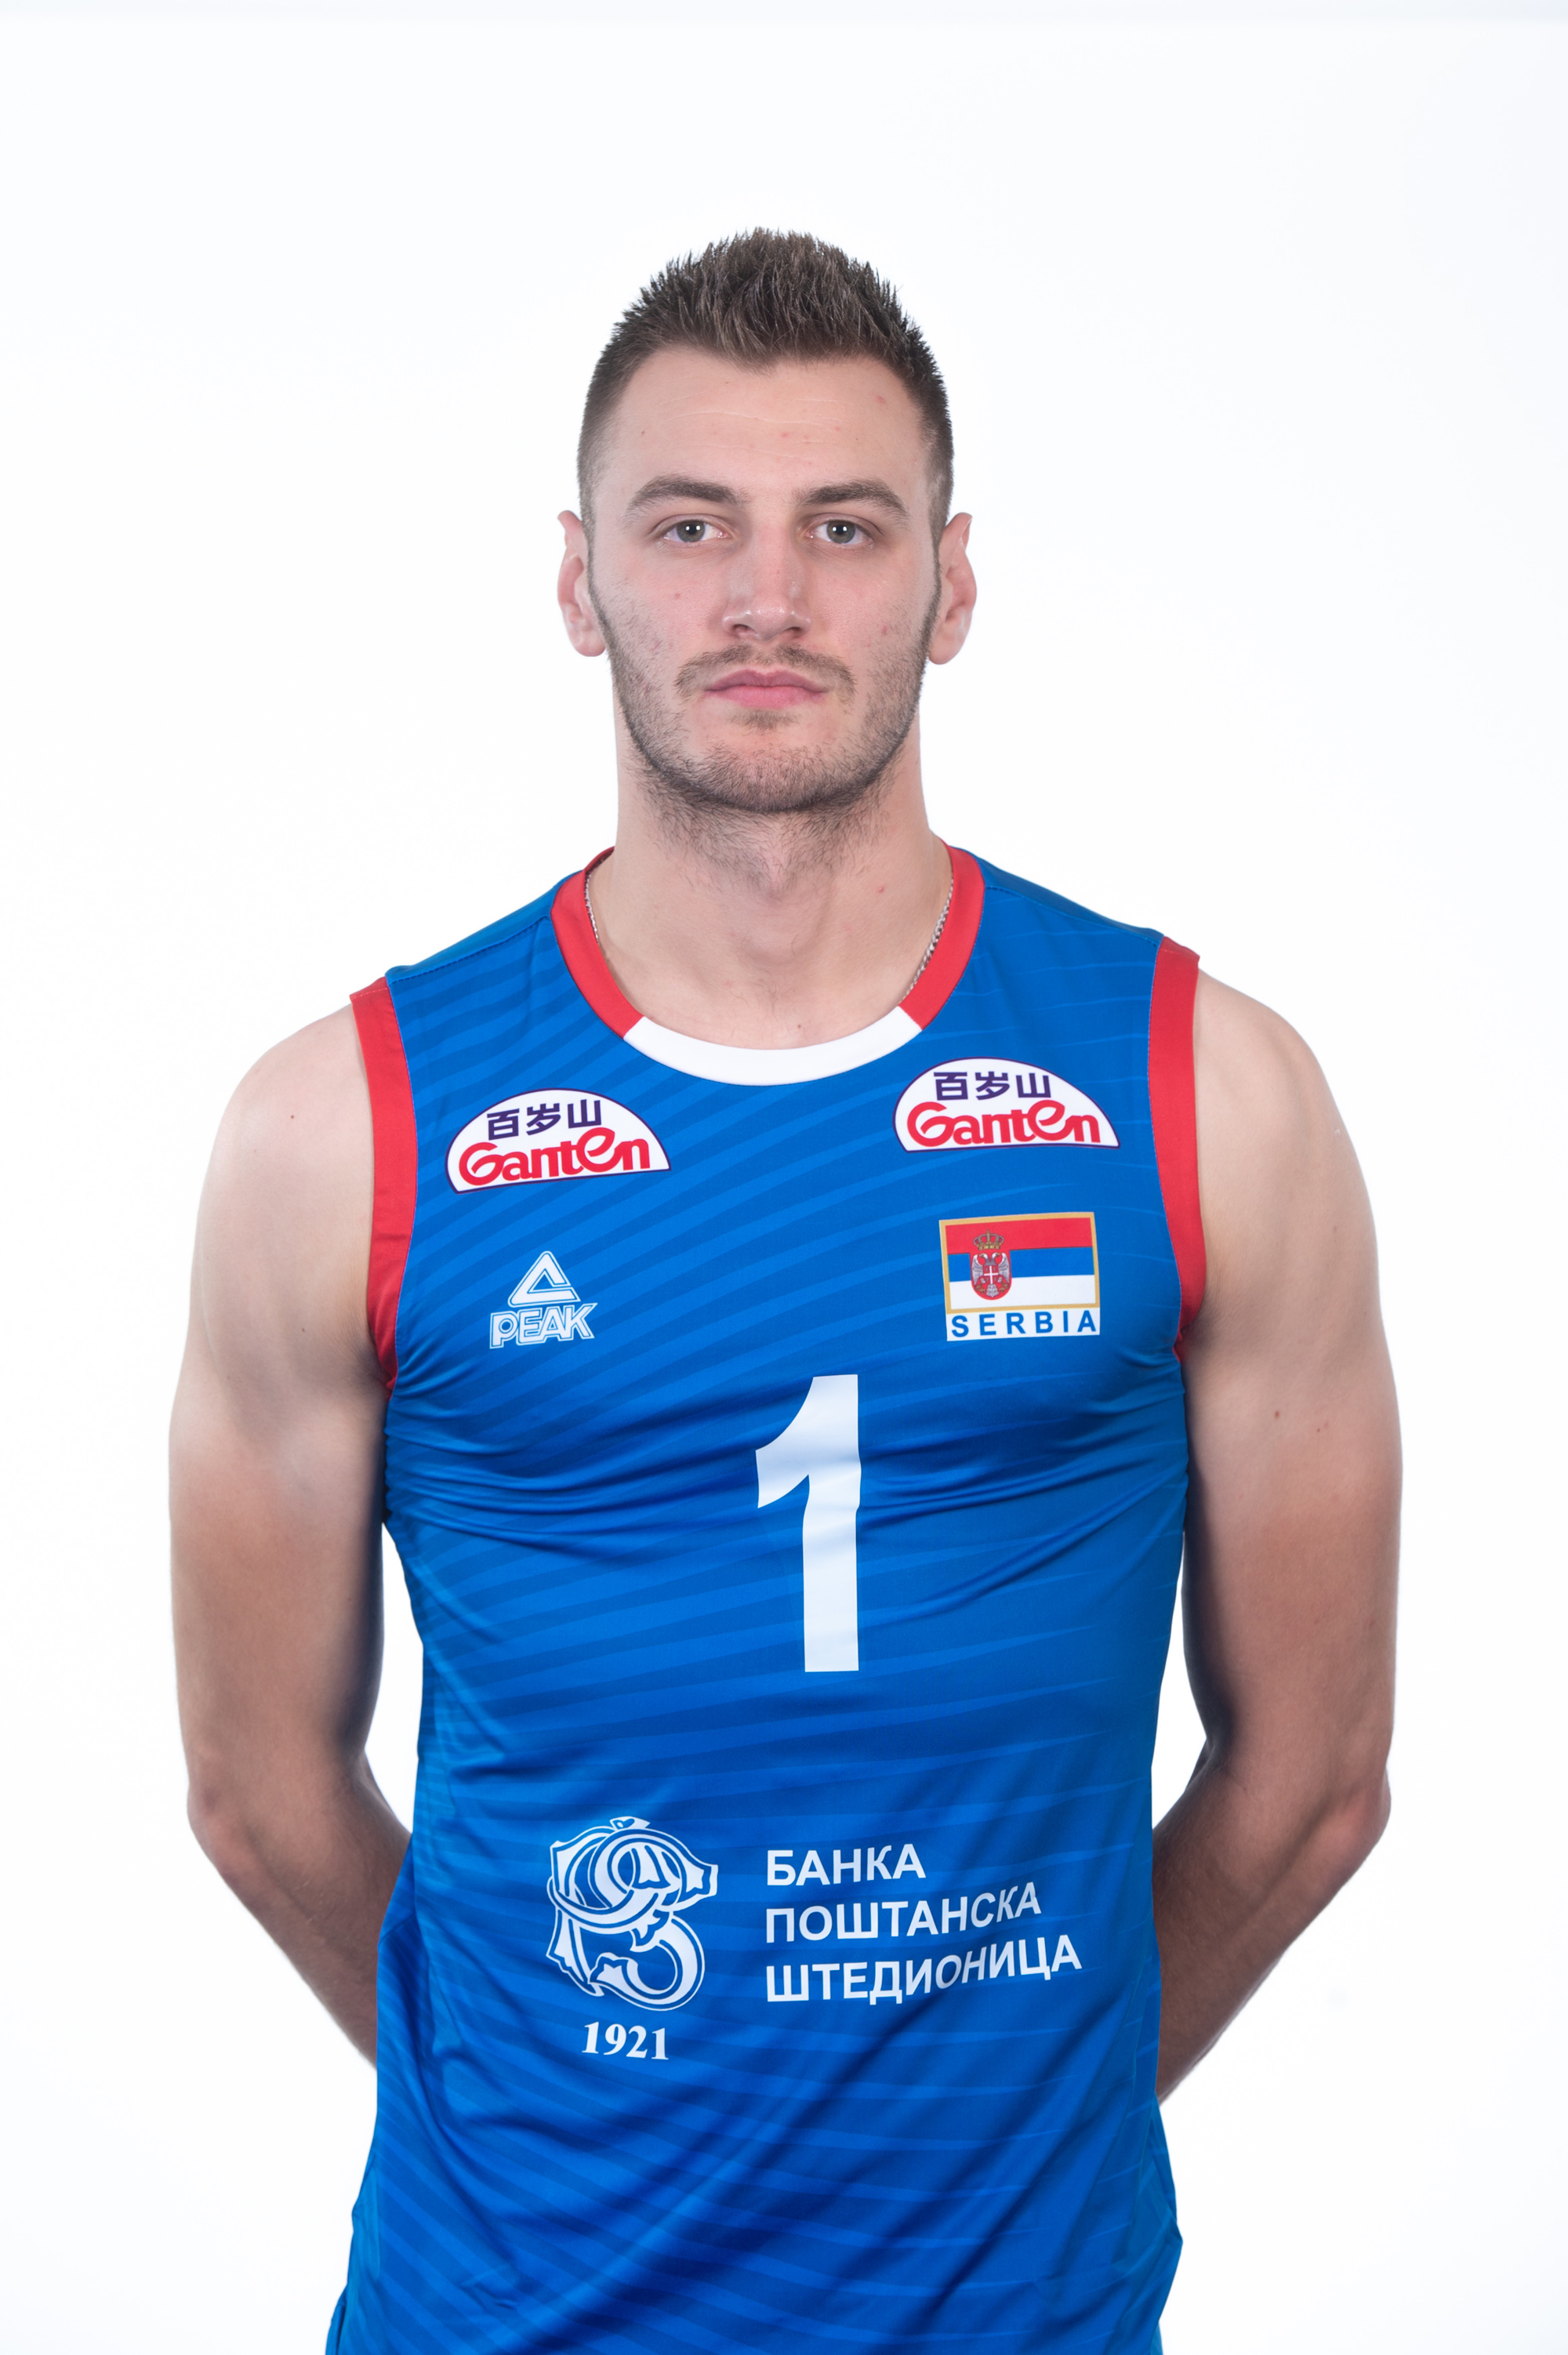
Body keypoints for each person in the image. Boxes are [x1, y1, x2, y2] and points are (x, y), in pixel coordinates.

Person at [170, 230, 1399, 2355]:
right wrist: (537, 2109)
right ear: (580, 583)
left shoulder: (1205, 1094)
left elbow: (1312, 1781)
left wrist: (1007, 2130)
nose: (766, 596)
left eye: (845, 526)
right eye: (689, 526)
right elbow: (258, 1794)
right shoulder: (343, 1129)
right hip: (500, 2314)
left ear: (952, 582)